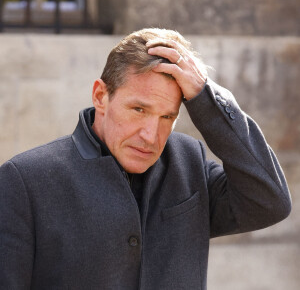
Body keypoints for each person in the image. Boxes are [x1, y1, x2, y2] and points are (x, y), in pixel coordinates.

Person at [0, 28, 291, 289]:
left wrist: (207, 98)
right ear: (101, 96)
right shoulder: (24, 181)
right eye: (139, 109)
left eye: (167, 116)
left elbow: (269, 201)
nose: (151, 136)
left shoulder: (189, 162)